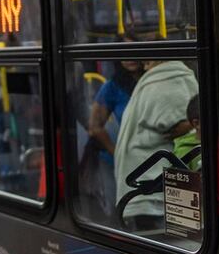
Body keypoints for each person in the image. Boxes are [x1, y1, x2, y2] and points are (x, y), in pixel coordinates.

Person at [113, 60, 199, 231]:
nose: (144, 66)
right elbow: (173, 120)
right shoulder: (166, 79)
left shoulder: (160, 80)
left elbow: (172, 120)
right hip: (150, 181)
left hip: (148, 180)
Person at [80, 60, 141, 219]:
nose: (131, 58)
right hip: (118, 159)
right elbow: (95, 126)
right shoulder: (112, 87)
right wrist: (116, 152)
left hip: (148, 157)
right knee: (120, 210)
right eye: (125, 54)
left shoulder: (152, 81)